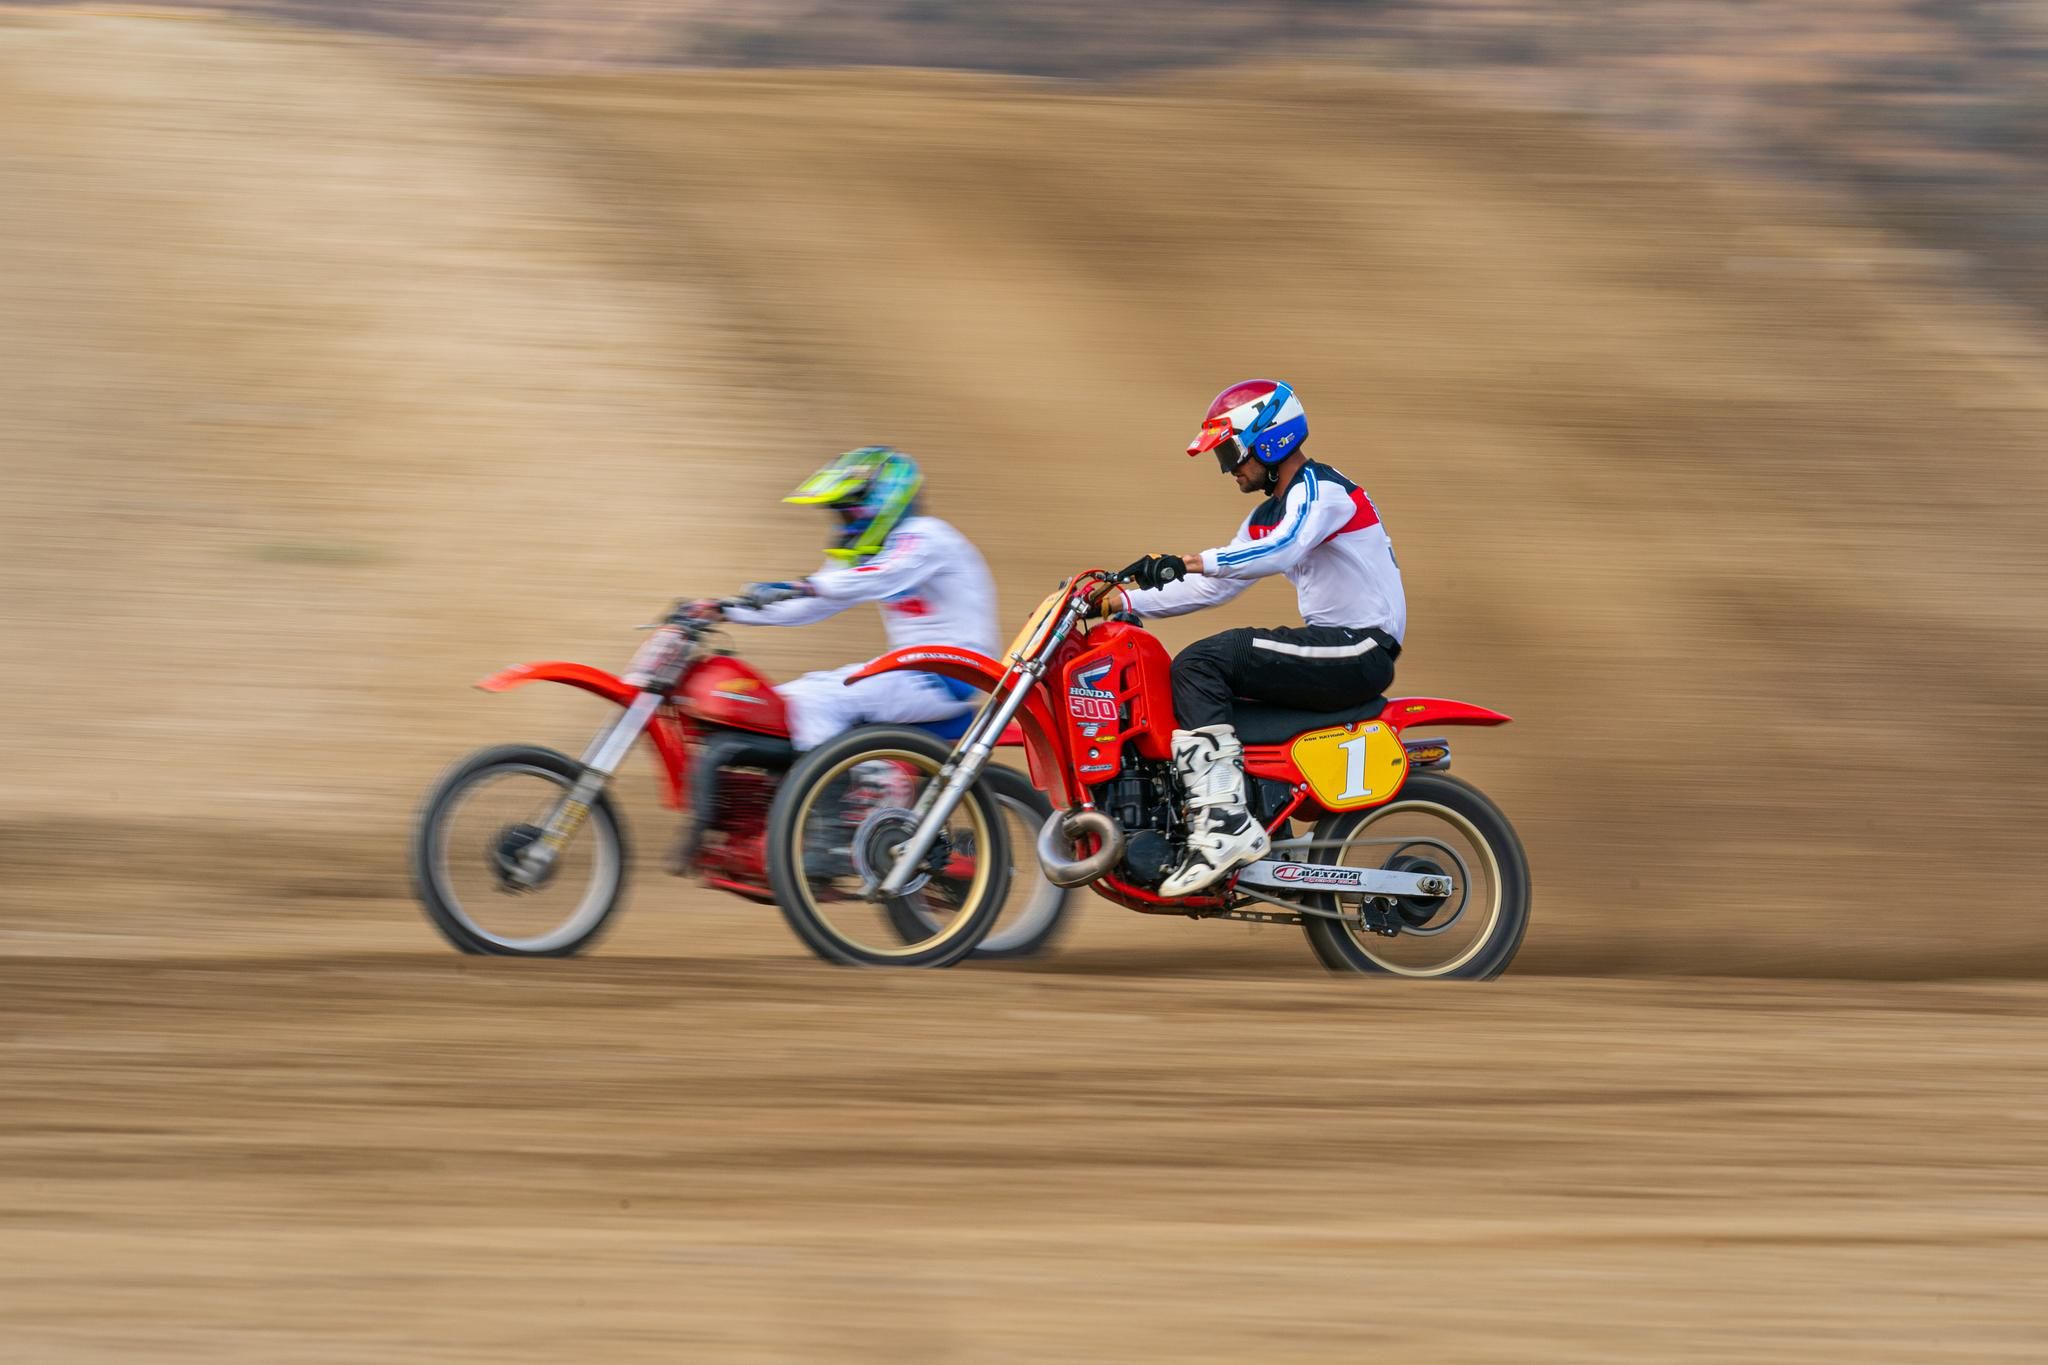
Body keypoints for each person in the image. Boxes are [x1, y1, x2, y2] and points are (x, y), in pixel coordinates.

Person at [1095, 380, 1407, 896]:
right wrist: (1121, 602)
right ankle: (1230, 818)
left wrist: (1190, 560)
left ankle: (1224, 825)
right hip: (1333, 646)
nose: (1229, 468)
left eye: (1230, 453)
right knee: (1195, 690)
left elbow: (1283, 550)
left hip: (1360, 648)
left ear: (1270, 439)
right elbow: (1214, 587)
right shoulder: (1266, 515)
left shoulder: (1322, 491)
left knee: (1206, 661)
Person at [698, 445, 999, 751]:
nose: (843, 522)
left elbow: (881, 576)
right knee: (780, 700)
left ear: (884, 501)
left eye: (848, 511)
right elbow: (811, 604)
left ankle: (856, 779)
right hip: (910, 671)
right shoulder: (870, 552)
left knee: (817, 703)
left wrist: (805, 586)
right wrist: (723, 610)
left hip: (950, 674)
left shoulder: (926, 535)